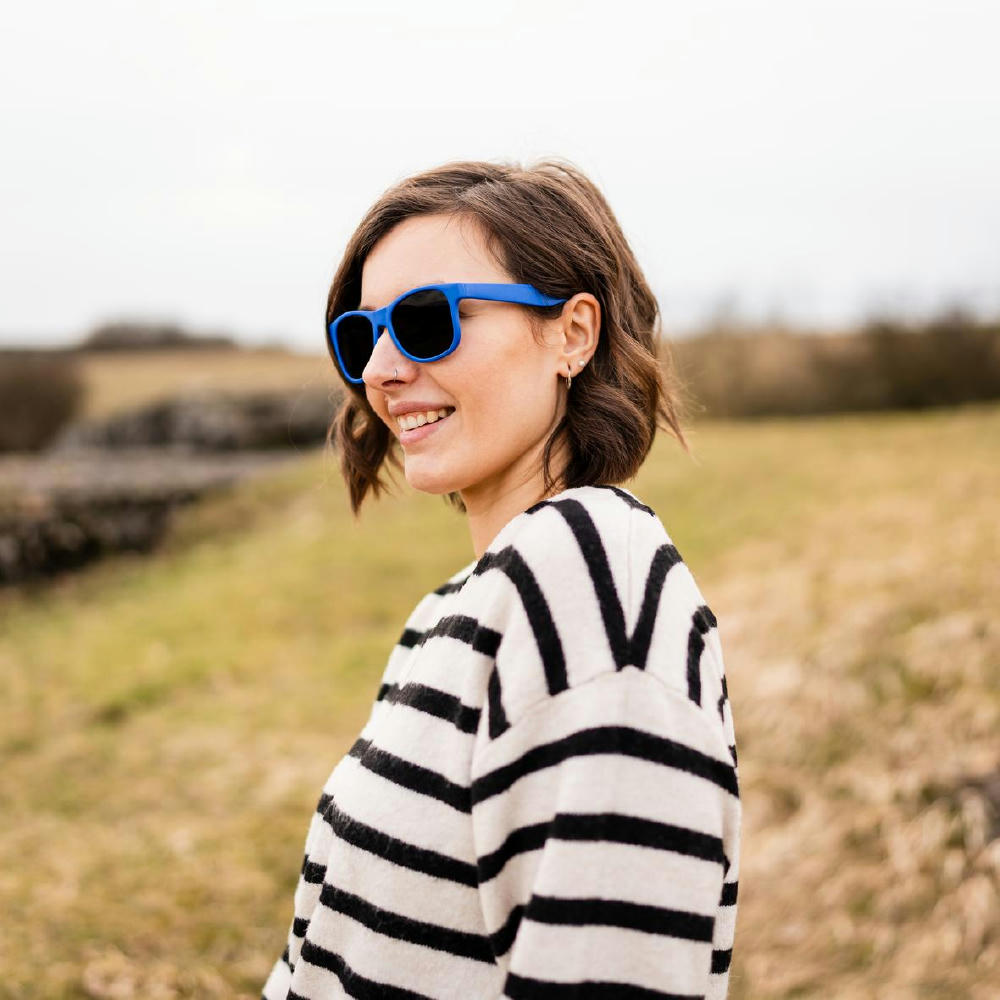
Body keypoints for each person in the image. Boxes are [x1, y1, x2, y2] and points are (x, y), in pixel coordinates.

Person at [262, 159, 741, 1000]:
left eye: (428, 321)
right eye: (362, 335)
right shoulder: (451, 610)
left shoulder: (597, 584)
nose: (380, 369)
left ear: (572, 334)